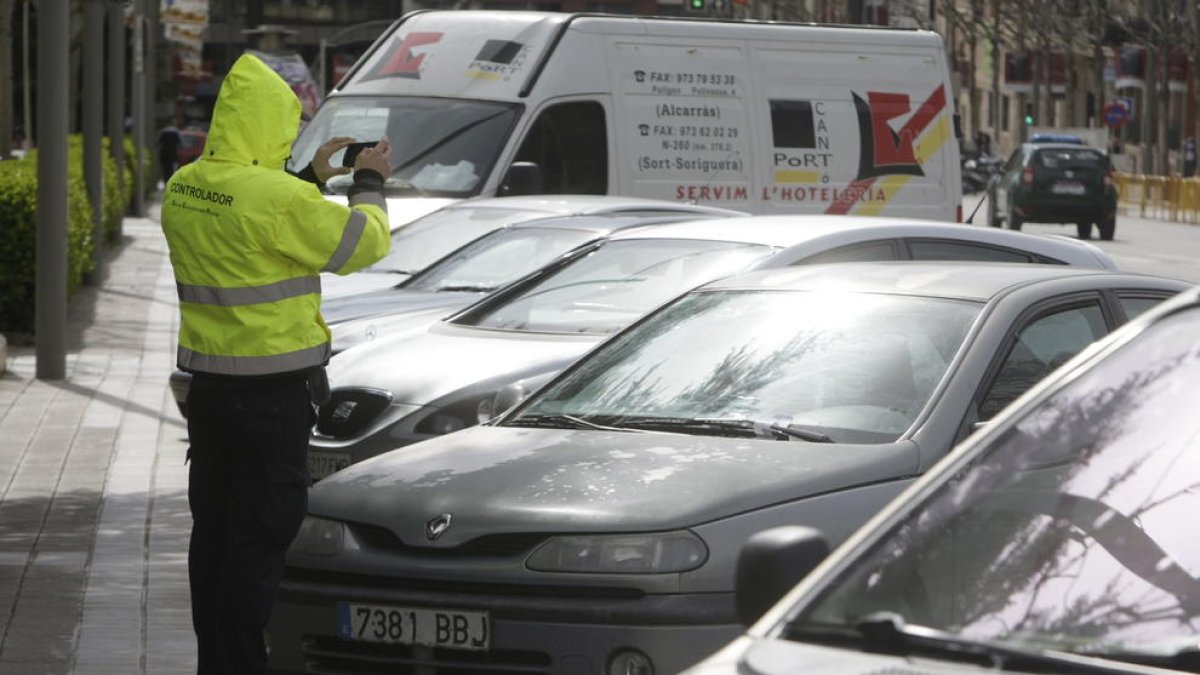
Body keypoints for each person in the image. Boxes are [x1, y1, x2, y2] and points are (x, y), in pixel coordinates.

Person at [159, 52, 391, 675]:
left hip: (210, 397)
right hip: (271, 400)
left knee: (215, 538)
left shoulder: (185, 185)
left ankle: (217, 661)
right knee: (259, 542)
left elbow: (253, 224)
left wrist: (308, 177)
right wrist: (368, 182)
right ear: (270, 125)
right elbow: (362, 245)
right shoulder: (278, 197)